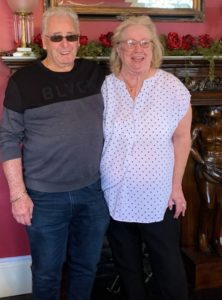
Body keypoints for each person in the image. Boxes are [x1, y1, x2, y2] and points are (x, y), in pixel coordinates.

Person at [0, 7, 109, 300]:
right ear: (44, 41)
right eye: (56, 37)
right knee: (47, 273)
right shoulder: (23, 82)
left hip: (93, 192)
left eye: (71, 37)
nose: (64, 44)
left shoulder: (95, 73)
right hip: (45, 198)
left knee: (87, 268)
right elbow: (8, 138)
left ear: (78, 40)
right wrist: (18, 195)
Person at [100, 16, 192, 300]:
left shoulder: (172, 87)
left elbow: (182, 138)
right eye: (130, 43)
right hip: (114, 193)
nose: (137, 49)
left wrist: (176, 187)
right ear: (118, 48)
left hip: (158, 195)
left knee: (169, 267)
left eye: (145, 43)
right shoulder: (106, 87)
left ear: (154, 48)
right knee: (127, 267)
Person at [191, 106, 222, 257]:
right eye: (210, 107)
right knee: (209, 205)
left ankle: (217, 238)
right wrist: (202, 161)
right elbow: (189, 145)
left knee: (221, 205)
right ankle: (202, 235)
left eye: (216, 107)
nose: (212, 109)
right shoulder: (199, 127)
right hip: (206, 168)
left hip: (221, 166)